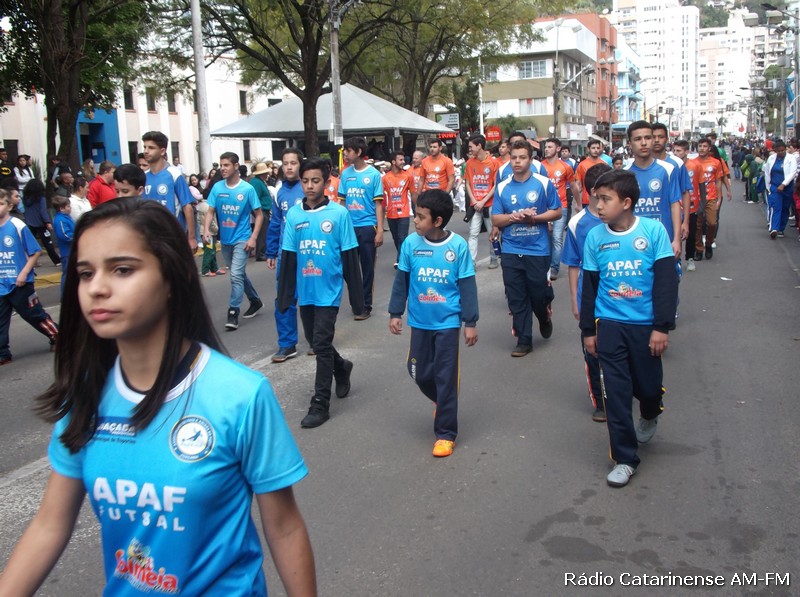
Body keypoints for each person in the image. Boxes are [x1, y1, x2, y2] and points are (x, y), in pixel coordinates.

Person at [0, 198, 316, 595]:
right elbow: (50, 524)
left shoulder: (241, 395)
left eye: (122, 269)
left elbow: (284, 527)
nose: (97, 288)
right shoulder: (86, 394)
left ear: (172, 277)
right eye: (85, 273)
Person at [581, 169, 679, 488]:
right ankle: (624, 458)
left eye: (605, 199)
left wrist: (661, 326)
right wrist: (588, 330)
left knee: (648, 388)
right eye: (596, 198)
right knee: (616, 394)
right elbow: (589, 287)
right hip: (609, 323)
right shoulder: (595, 237)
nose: (598, 205)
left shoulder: (653, 231)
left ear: (626, 202)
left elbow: (666, 281)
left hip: (645, 325)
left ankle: (650, 412)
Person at [388, 189, 478, 457]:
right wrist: (395, 313)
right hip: (419, 322)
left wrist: (470, 321)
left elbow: (467, 285)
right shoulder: (410, 244)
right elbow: (402, 281)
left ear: (437, 221)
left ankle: (445, 434)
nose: (415, 221)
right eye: (415, 215)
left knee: (445, 376)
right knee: (418, 371)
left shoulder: (457, 246)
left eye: (420, 217)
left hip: (448, 323)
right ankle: (442, 400)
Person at [277, 158, 364, 428]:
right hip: (306, 290)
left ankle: (320, 403)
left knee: (321, 345)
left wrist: (358, 299)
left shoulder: (339, 214)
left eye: (316, 181)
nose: (310, 186)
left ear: (326, 183)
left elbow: (350, 257)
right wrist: (285, 296)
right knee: (315, 341)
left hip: (329, 290)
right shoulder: (294, 215)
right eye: (305, 181)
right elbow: (289, 257)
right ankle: (342, 366)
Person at [492, 140, 561, 357]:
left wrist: (535, 218)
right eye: (514, 157)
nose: (517, 161)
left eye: (522, 157)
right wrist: (515, 217)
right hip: (511, 249)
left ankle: (544, 314)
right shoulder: (502, 187)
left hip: (538, 249)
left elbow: (557, 211)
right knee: (516, 296)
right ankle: (524, 340)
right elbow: (496, 218)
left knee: (538, 294)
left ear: (531, 159)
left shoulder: (543, 183)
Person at [562, 162, 611, 423]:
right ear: (591, 191)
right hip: (589, 300)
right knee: (593, 351)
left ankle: (622, 391)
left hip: (622, 301)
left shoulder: (624, 220)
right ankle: (601, 402)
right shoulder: (577, 223)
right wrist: (575, 300)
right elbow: (573, 265)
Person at [204, 152, 264, 331]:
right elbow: (210, 211)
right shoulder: (217, 188)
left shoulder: (247, 189)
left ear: (236, 166)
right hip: (226, 239)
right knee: (239, 274)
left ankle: (233, 312)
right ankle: (255, 300)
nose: (222, 168)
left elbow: (259, 215)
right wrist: (206, 230)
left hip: (242, 238)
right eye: (221, 165)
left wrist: (253, 238)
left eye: (226, 165)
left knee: (236, 275)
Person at [0, 188, 59, 365]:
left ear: (9, 206)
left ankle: (58, 336)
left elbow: (34, 251)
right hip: (2, 283)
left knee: (34, 314)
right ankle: (3, 353)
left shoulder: (17, 225)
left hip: (20, 282)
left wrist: (24, 272)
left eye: (1, 203)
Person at [338, 136, 384, 320]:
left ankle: (365, 305)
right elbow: (342, 202)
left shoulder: (373, 175)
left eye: (348, 151)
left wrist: (379, 230)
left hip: (367, 227)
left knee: (367, 268)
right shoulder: (345, 174)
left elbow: (379, 205)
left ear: (358, 152)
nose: (346, 154)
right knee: (349, 269)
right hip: (349, 228)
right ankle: (356, 302)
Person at [267, 148, 305, 362]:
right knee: (284, 299)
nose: (289, 167)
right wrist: (271, 251)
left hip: (309, 253)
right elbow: (275, 222)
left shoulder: (308, 186)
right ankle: (287, 344)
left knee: (311, 299)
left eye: (293, 163)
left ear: (300, 164)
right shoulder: (279, 191)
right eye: (285, 163)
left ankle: (317, 340)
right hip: (285, 254)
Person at [623, 120, 682, 259]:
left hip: (663, 240)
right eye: (638, 139)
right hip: (633, 241)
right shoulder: (624, 174)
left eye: (648, 138)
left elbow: (674, 205)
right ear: (630, 144)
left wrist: (677, 239)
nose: (643, 143)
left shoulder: (668, 169)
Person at [140, 131, 197, 251]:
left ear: (162, 151)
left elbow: (187, 207)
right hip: (150, 236)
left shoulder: (174, 174)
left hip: (173, 235)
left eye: (151, 148)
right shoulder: (143, 177)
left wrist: (191, 237)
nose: (146, 151)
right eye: (145, 147)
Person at [541, 138, 581, 281]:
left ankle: (554, 268)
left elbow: (573, 186)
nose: (546, 149)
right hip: (544, 208)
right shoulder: (540, 167)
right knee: (546, 237)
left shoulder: (566, 167)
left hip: (561, 207)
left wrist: (579, 203)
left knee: (557, 238)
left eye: (550, 147)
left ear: (558, 149)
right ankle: (544, 265)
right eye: (546, 147)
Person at [464, 134, 500, 268]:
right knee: (473, 233)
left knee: (492, 233)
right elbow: (468, 184)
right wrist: (474, 201)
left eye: (471, 147)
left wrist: (483, 201)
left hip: (489, 205)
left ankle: (494, 258)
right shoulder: (469, 163)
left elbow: (495, 185)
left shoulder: (493, 163)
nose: (469, 150)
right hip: (475, 206)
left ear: (479, 146)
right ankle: (471, 262)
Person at [689, 138, 725, 257]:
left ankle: (709, 243)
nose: (702, 148)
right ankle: (699, 249)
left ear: (709, 148)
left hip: (711, 197)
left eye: (704, 146)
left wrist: (719, 198)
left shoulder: (716, 162)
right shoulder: (692, 162)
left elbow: (718, 181)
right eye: (700, 146)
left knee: (711, 223)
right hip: (697, 198)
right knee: (698, 225)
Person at [382, 151, 414, 268]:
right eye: (400, 160)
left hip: (404, 213)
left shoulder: (407, 176)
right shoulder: (385, 178)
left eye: (403, 160)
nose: (403, 162)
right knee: (396, 238)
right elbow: (381, 196)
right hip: (391, 214)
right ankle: (404, 257)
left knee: (402, 237)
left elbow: (413, 193)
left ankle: (400, 261)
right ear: (393, 162)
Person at [22, 179, 61, 265]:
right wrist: (47, 222)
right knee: (48, 243)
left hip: (29, 222)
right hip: (40, 223)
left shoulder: (25, 198)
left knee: (30, 243)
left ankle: (32, 262)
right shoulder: (41, 198)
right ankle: (57, 261)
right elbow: (43, 211)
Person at [764, 139, 797, 239]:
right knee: (776, 207)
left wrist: (783, 184)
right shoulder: (771, 158)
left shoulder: (791, 158)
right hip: (774, 187)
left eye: (782, 150)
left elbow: (793, 172)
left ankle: (781, 229)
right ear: (775, 150)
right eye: (778, 151)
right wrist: (768, 187)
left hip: (787, 187)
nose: (780, 152)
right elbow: (767, 172)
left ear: (785, 149)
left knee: (785, 208)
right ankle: (774, 228)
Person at [196, 189, 225, 277]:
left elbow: (199, 220)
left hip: (203, 230)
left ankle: (214, 268)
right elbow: (211, 221)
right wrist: (216, 229)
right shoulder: (208, 207)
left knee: (212, 250)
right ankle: (205, 270)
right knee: (209, 251)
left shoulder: (200, 206)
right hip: (209, 232)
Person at [249, 162, 273, 261]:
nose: (267, 174)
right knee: (262, 232)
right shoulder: (256, 183)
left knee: (264, 231)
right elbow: (255, 198)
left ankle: (263, 251)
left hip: (264, 210)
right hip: (261, 210)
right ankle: (260, 253)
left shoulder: (259, 182)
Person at [51, 195, 74, 295]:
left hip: (71, 250)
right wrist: (77, 236)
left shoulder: (66, 218)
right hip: (67, 252)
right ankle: (65, 294)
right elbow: (65, 235)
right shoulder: (60, 220)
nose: (70, 208)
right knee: (67, 274)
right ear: (61, 208)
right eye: (68, 206)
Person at [575, 139, 608, 209]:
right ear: (588, 149)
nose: (596, 150)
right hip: (586, 200)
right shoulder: (582, 165)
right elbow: (578, 184)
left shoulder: (604, 164)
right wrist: (578, 203)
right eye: (593, 148)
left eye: (598, 148)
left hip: (601, 200)